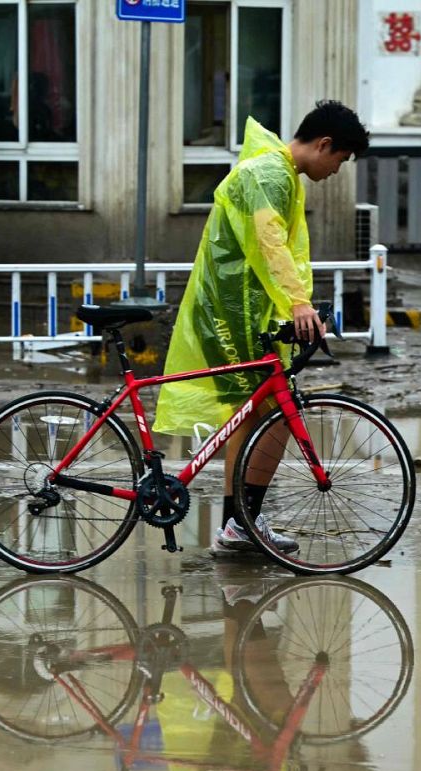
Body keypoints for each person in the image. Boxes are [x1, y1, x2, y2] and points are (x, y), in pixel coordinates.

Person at [152, 100, 369, 554]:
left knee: (252, 417)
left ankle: (240, 525)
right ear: (324, 144)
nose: (337, 170)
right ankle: (241, 523)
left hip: (241, 310)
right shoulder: (270, 175)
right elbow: (271, 242)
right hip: (234, 314)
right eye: (341, 160)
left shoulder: (277, 172)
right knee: (272, 414)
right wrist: (298, 304)